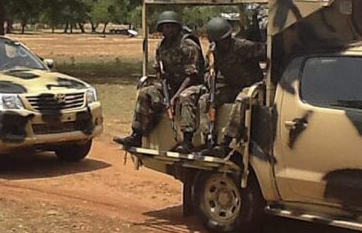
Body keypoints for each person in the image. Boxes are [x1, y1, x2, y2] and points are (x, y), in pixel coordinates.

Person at [114, 11, 204, 153]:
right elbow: (159, 71)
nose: (169, 30)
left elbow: (192, 75)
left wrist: (175, 97)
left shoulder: (188, 45)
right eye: (166, 27)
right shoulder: (162, 46)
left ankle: (187, 141)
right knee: (145, 92)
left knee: (185, 97)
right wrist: (163, 87)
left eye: (172, 27)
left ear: (178, 27)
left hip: (191, 84)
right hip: (170, 84)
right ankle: (137, 135)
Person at [202, 16, 267, 157]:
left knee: (242, 100)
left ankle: (227, 141)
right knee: (206, 100)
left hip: (252, 87)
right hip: (232, 86)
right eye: (221, 41)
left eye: (226, 39)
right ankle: (208, 138)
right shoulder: (214, 52)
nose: (224, 43)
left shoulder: (242, 46)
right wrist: (209, 77)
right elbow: (208, 70)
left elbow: (267, 52)